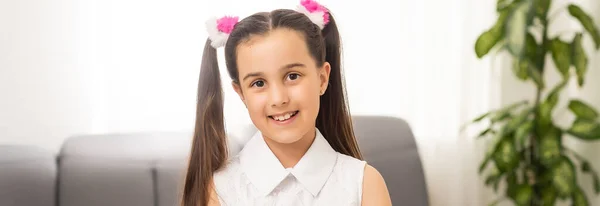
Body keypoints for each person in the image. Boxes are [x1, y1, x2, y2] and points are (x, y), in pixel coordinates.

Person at [180, 0, 392, 205]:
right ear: (241, 93)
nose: (279, 99)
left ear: (322, 79)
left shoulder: (363, 184)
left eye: (292, 76)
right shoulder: (220, 190)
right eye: (259, 82)